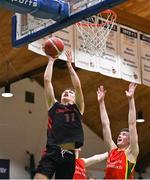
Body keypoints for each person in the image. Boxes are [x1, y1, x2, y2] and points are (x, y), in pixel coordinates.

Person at [34, 50, 84, 179]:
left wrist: (69, 65)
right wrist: (51, 60)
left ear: (75, 98)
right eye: (64, 92)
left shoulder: (78, 108)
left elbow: (77, 87)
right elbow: (47, 80)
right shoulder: (53, 106)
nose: (67, 92)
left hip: (69, 153)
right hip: (52, 150)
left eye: (70, 92)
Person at [97, 83, 139, 179]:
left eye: (124, 135)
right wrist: (101, 102)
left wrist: (131, 99)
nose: (120, 136)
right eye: (120, 134)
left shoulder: (131, 152)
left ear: (129, 140)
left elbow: (132, 124)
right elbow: (105, 125)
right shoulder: (112, 150)